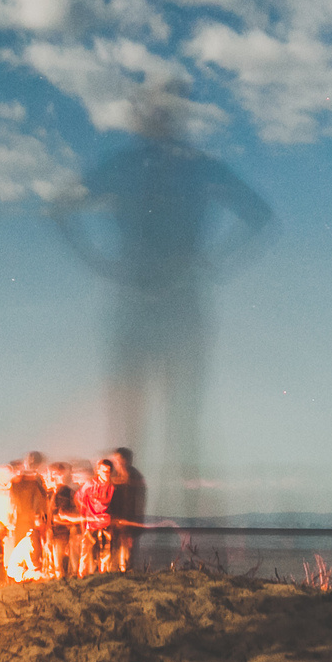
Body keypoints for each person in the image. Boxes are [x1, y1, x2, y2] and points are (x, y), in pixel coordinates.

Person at [54, 92, 272, 512]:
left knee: (171, 424)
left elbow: (259, 216)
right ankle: (143, 535)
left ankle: (173, 536)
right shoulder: (169, 167)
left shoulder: (163, 167)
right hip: (159, 302)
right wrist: (103, 262)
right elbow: (62, 209)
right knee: (147, 427)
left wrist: (102, 262)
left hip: (163, 302)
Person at [75, 458, 118, 575]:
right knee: (86, 554)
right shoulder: (89, 485)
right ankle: (81, 578)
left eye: (108, 471)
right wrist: (83, 523)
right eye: (104, 470)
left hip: (106, 526)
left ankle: (102, 577)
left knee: (105, 554)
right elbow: (79, 499)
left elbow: (115, 507)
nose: (106, 473)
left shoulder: (113, 488)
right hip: (91, 526)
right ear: (98, 471)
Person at [11, 453, 50, 575]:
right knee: (25, 549)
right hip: (25, 522)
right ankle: (23, 573)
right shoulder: (20, 482)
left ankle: (31, 573)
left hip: (32, 522)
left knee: (34, 550)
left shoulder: (35, 482)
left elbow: (41, 501)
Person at [110, 449, 148, 573]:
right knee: (115, 551)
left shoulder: (135, 478)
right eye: (115, 460)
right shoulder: (114, 476)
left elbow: (138, 503)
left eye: (118, 460)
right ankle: (116, 573)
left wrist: (134, 524)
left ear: (126, 460)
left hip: (129, 522)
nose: (116, 463)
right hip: (115, 521)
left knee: (127, 552)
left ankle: (126, 573)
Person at [47, 461, 80, 578]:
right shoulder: (51, 493)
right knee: (57, 566)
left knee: (61, 566)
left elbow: (66, 514)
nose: (48, 476)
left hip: (63, 533)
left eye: (51, 473)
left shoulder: (66, 493)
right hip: (55, 533)